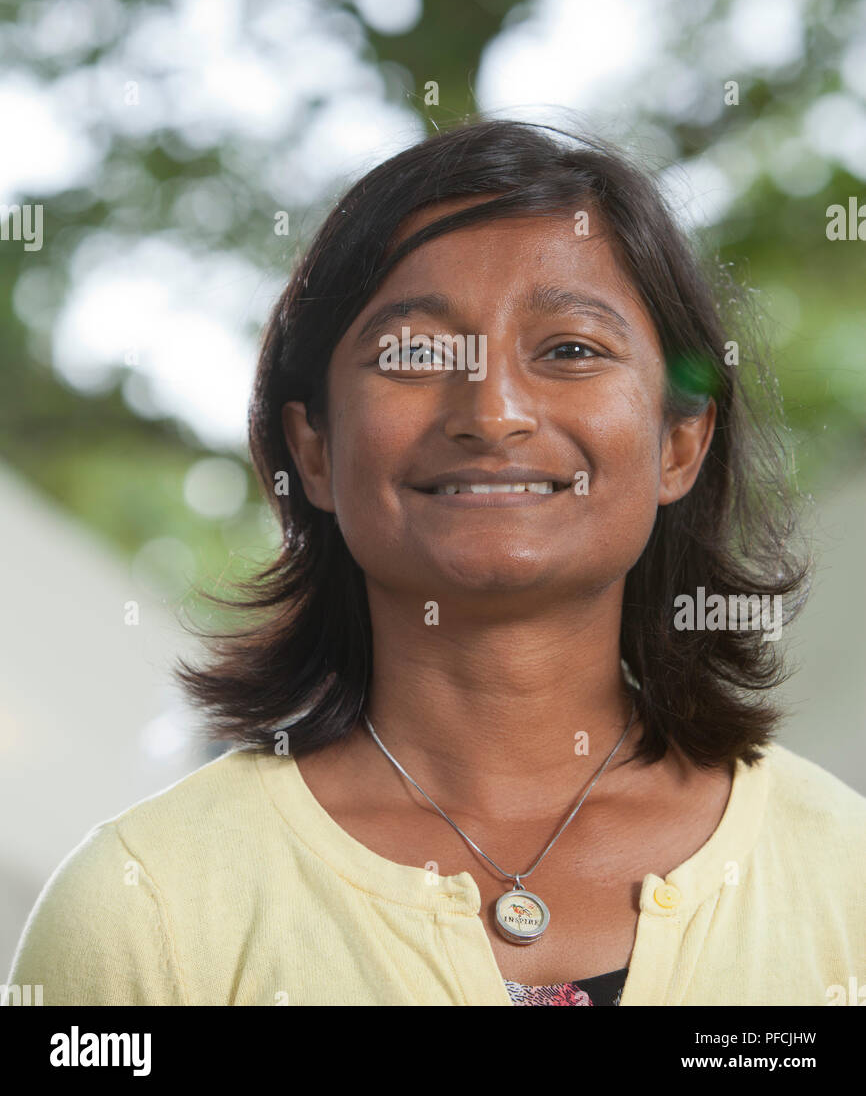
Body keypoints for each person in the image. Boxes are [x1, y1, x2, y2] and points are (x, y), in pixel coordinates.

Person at [7, 116, 866, 1007]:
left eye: (570, 349)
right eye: (414, 354)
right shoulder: (143, 909)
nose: (492, 414)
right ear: (313, 449)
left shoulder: (847, 878)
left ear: (680, 443)